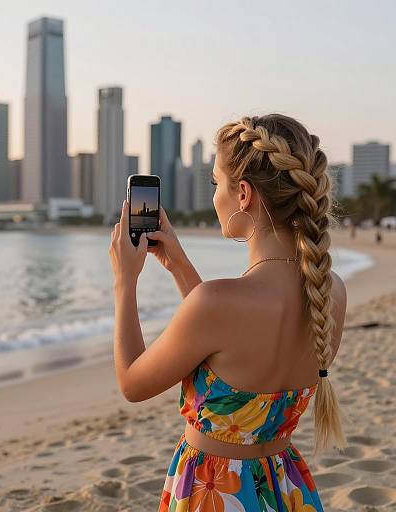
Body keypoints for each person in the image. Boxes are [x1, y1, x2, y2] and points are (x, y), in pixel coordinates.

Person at [108, 113, 348, 511]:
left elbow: (133, 383)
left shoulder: (218, 304)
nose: (214, 196)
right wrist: (179, 265)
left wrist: (124, 283)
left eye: (216, 183)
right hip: (284, 484)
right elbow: (225, 341)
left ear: (243, 194)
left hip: (215, 491)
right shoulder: (331, 292)